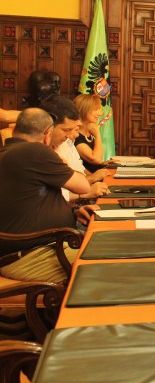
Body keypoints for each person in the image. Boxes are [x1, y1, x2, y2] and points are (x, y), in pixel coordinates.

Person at [0, 108, 95, 283]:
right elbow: (82, 185)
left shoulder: (11, 153)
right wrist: (61, 162)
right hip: (32, 256)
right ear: (47, 134)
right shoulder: (34, 151)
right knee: (106, 263)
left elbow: (32, 200)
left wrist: (73, 211)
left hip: (34, 250)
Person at [73, 94, 106, 173]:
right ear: (84, 110)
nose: (100, 113)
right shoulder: (75, 136)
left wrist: (103, 164)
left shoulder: (89, 132)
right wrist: (97, 135)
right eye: (96, 109)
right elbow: (96, 159)